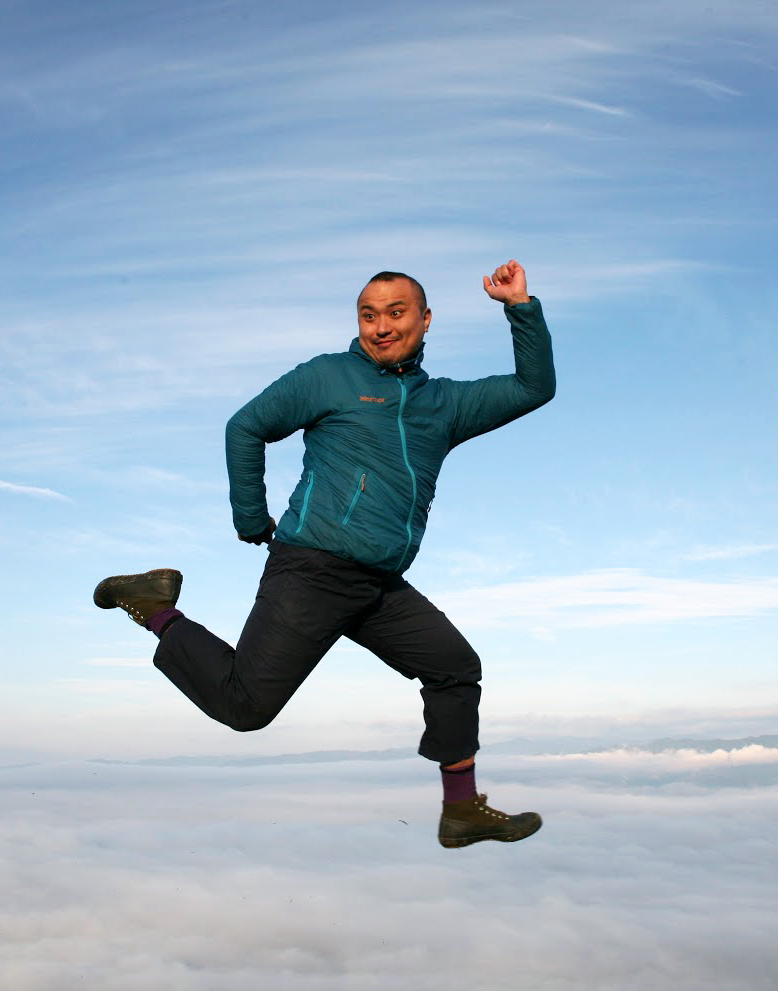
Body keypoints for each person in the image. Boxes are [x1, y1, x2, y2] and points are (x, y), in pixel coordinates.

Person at [95, 260, 556, 848]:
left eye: (395, 313)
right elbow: (246, 426)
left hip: (379, 584)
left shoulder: (444, 405)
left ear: (426, 320)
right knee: (245, 707)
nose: (381, 326)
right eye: (369, 315)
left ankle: (461, 811)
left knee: (455, 667)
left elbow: (533, 388)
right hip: (311, 569)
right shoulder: (329, 377)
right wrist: (249, 518)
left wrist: (521, 307)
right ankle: (153, 606)